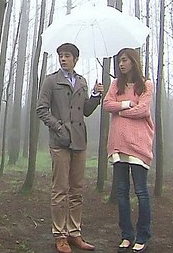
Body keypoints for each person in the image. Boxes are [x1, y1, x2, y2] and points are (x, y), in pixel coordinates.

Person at [36, 42, 104, 253]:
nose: (63, 59)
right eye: (61, 56)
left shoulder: (82, 81)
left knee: (77, 190)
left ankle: (75, 232)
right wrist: (58, 127)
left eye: (67, 56)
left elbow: (86, 111)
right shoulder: (51, 80)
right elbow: (41, 109)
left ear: (75, 59)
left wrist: (96, 96)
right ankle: (60, 235)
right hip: (60, 142)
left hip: (79, 141)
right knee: (60, 190)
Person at [103, 48, 154, 252]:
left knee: (141, 191)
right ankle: (126, 235)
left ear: (133, 61)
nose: (121, 64)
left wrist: (121, 112)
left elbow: (143, 109)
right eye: (119, 61)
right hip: (118, 143)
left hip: (139, 145)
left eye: (124, 60)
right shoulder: (116, 84)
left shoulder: (146, 84)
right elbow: (107, 104)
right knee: (122, 192)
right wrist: (126, 103)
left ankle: (143, 235)